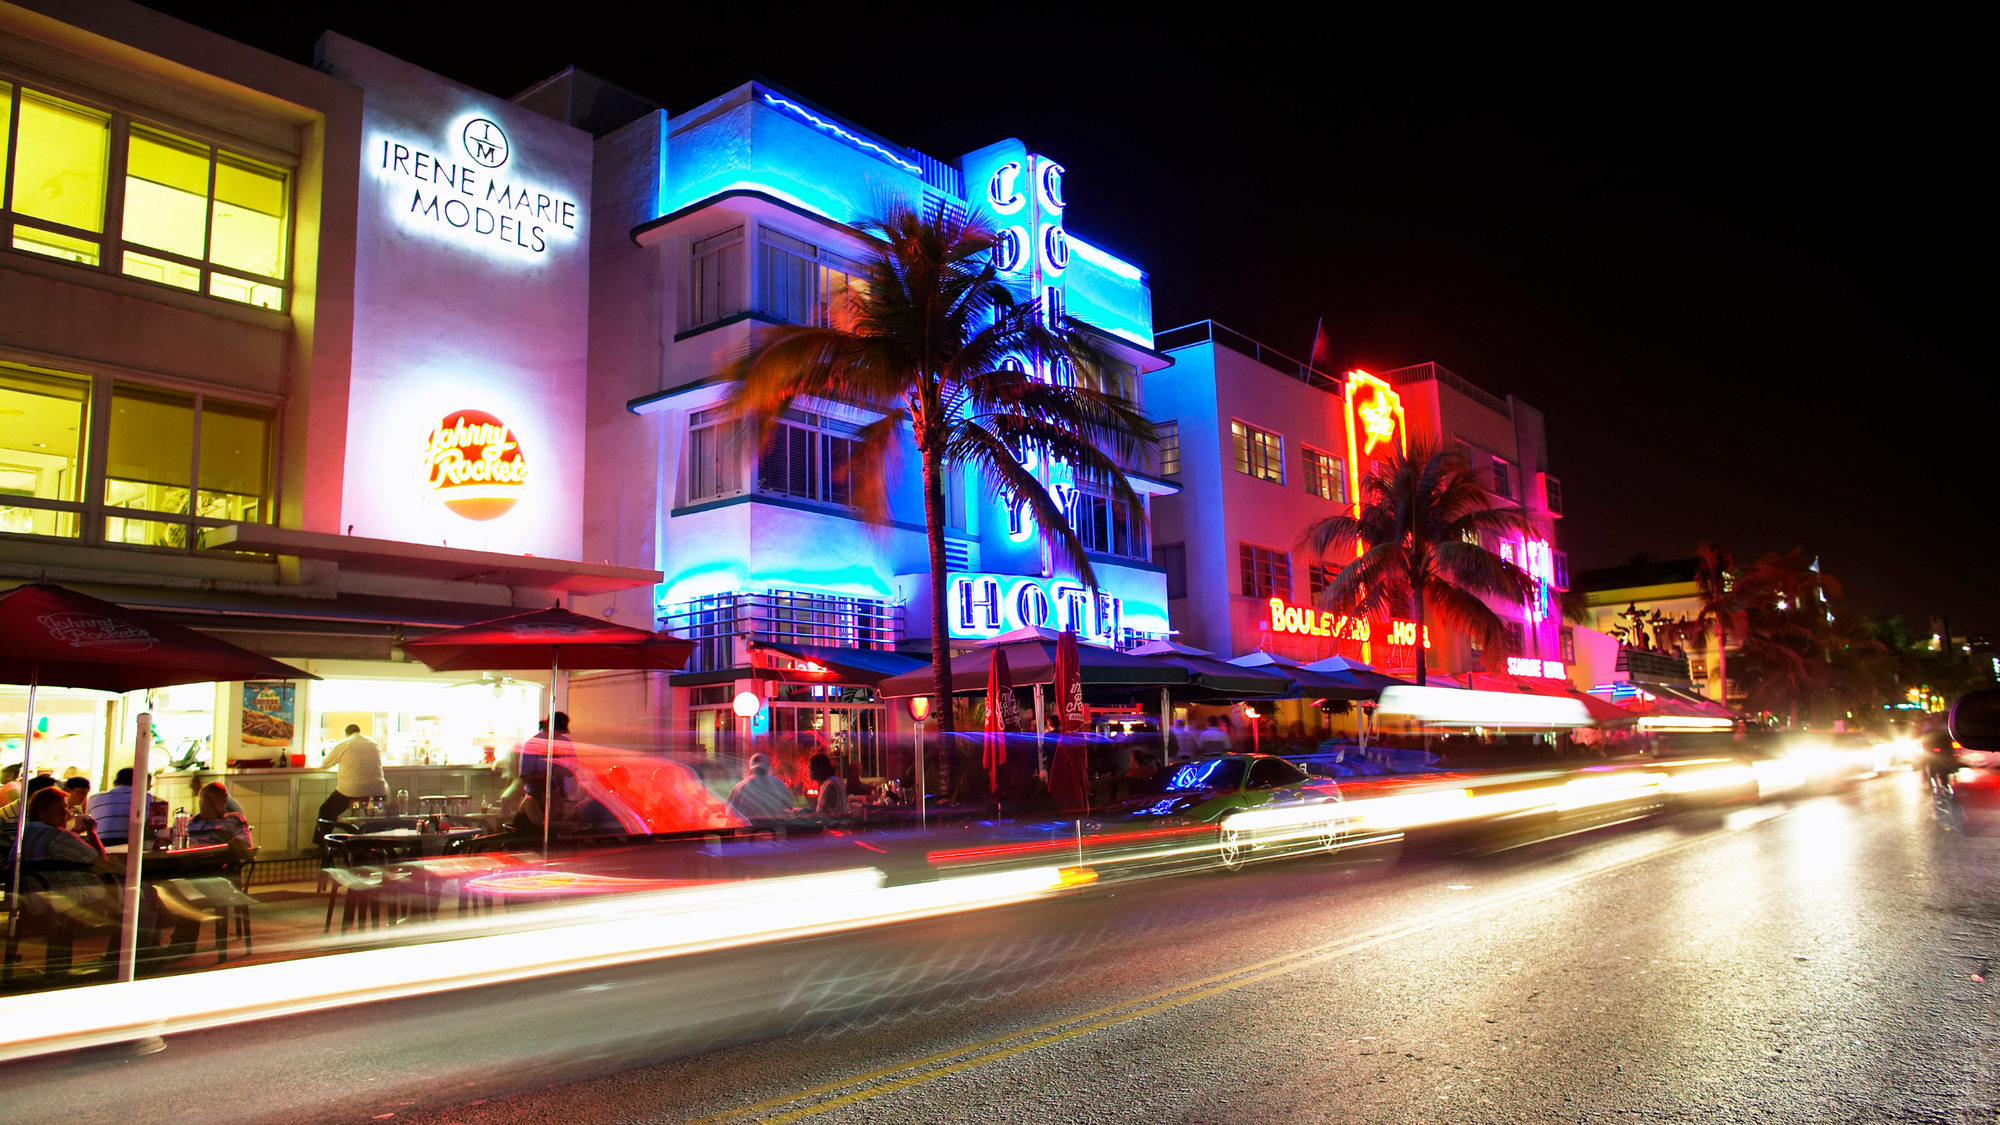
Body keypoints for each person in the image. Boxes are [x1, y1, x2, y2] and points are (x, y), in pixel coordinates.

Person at [317, 723, 387, 835]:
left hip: (352, 792)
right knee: (372, 816)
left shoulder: (344, 744)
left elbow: (324, 763)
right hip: (378, 792)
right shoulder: (374, 744)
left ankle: (323, 846)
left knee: (326, 810)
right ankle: (374, 842)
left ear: (346, 734)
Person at [86, 767, 155, 846]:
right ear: (139, 783)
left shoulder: (93, 798)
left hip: (99, 844)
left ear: (115, 782)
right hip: (130, 844)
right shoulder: (145, 796)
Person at [185, 782, 255, 856]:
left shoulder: (233, 820)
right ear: (200, 801)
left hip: (216, 863)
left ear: (224, 801)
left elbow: (244, 845)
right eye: (206, 798)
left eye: (213, 799)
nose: (208, 802)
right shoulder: (188, 823)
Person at [727, 753, 797, 822]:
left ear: (751, 769)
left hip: (747, 829)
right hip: (775, 827)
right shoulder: (778, 784)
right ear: (767, 767)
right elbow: (789, 804)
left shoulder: (740, 786)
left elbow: (730, 812)